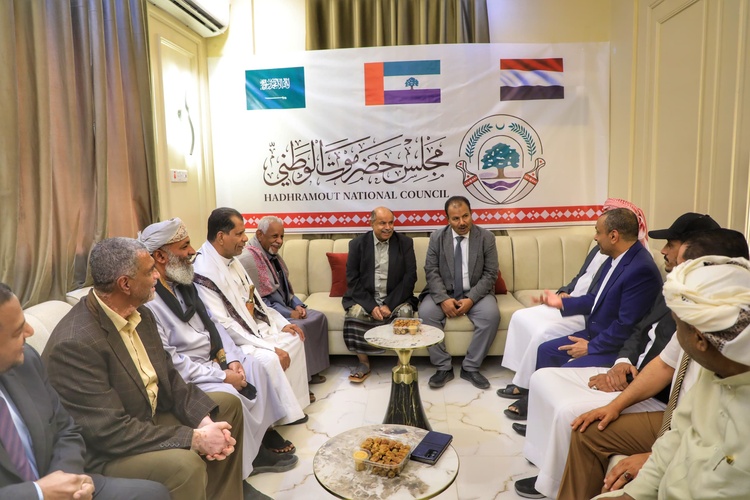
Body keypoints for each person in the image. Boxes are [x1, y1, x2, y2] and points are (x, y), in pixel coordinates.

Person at [513, 215, 725, 499]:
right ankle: (544, 462)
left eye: (671, 245)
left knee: (569, 412)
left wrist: (607, 360)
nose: (662, 250)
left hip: (654, 393)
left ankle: (550, 481)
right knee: (543, 375)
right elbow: (643, 333)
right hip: (631, 366)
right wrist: (623, 363)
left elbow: (685, 390)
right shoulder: (675, 287)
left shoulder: (716, 327)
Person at [42, 238, 252, 500]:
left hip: (145, 417)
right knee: (185, 466)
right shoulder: (75, 344)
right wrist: (196, 438)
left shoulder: (141, 314)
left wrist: (206, 424)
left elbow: (170, 379)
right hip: (106, 452)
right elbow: (110, 432)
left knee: (227, 406)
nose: (157, 276)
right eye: (150, 270)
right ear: (125, 284)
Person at [557, 228, 749, 499]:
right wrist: (614, 407)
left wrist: (647, 461)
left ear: (699, 338)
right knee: (588, 431)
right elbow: (677, 429)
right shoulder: (711, 372)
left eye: (677, 326)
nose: (674, 334)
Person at [139, 218, 299, 481]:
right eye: (184, 246)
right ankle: (244, 463)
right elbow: (172, 361)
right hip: (192, 372)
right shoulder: (149, 300)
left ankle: (260, 440)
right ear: (160, 256)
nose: (192, 251)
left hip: (215, 358)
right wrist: (224, 376)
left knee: (256, 367)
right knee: (230, 395)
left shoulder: (183, 284)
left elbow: (214, 324)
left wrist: (232, 360)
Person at [0, 282, 169, 500]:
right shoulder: (76, 340)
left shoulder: (26, 363)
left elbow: (66, 430)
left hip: (61, 483)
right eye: (17, 331)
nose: (30, 332)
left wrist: (66, 481)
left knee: (153, 495)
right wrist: (39, 493)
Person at [504, 208, 662, 419]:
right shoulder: (615, 258)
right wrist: (561, 303)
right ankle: (537, 411)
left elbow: (626, 325)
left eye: (598, 232)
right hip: (596, 335)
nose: (595, 237)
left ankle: (548, 416)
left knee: (559, 374)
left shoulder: (641, 269)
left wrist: (591, 347)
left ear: (613, 236)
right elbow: (596, 299)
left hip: (615, 348)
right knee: (546, 351)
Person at [193, 207, 309, 423]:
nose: (246, 239)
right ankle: (284, 415)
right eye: (239, 234)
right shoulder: (203, 269)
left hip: (253, 326)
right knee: (271, 358)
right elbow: (222, 324)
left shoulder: (232, 259)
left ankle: (294, 402)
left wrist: (281, 323)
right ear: (221, 237)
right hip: (232, 341)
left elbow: (255, 300)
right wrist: (268, 346)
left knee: (294, 337)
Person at [240, 215, 330, 394]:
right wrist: (289, 314)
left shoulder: (270, 255)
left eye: (281, 236)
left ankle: (312, 371)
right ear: (260, 234)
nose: (280, 241)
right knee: (300, 328)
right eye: (274, 236)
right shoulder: (249, 259)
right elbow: (260, 302)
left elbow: (286, 289)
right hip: (272, 314)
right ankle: (303, 382)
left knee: (319, 317)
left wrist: (298, 306)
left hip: (286, 307)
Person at [421, 196, 500, 389]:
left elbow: (490, 273)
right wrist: (443, 299)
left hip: (476, 292)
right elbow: (431, 271)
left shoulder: (486, 237)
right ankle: (443, 367)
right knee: (426, 313)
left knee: (491, 315)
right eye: (456, 218)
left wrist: (471, 299)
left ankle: (470, 367)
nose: (462, 222)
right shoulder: (437, 237)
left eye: (465, 216)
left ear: (472, 214)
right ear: (447, 219)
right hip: (445, 291)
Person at [342, 206, 418, 382]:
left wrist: (389, 304)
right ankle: (363, 363)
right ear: (372, 224)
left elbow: (410, 277)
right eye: (382, 223)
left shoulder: (405, 243)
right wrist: (371, 306)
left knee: (406, 314)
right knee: (354, 314)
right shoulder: (357, 244)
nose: (388, 227)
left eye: (391, 223)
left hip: (395, 297)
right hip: (367, 297)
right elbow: (352, 279)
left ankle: (402, 363)